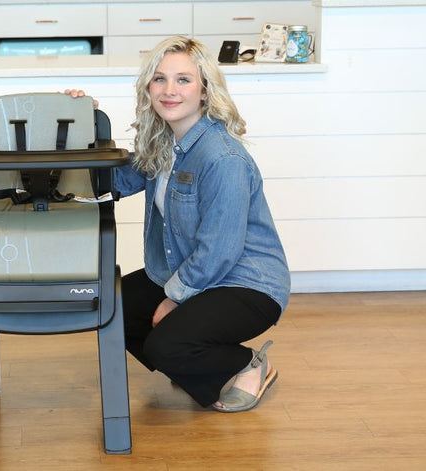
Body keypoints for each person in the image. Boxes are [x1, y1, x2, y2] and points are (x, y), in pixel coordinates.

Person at [66, 35, 291, 412]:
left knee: (166, 344)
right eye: (160, 79)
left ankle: (246, 363)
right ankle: (195, 365)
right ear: (148, 87)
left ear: (204, 90)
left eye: (183, 80)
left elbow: (220, 251)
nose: (169, 90)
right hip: (190, 271)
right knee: (111, 308)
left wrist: (174, 299)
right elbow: (111, 183)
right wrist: (82, 124)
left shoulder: (223, 159)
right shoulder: (164, 144)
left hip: (244, 283)